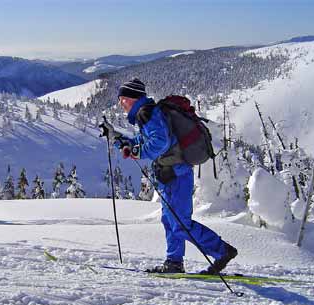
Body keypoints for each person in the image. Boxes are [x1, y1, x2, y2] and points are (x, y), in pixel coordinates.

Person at [102, 78, 238, 274]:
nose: (120, 103)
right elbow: (140, 142)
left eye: (121, 99)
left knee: (180, 223)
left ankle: (222, 251)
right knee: (170, 221)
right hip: (170, 175)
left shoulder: (146, 113)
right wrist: (115, 137)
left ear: (130, 98)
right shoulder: (147, 112)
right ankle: (173, 262)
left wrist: (138, 152)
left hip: (176, 174)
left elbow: (160, 143)